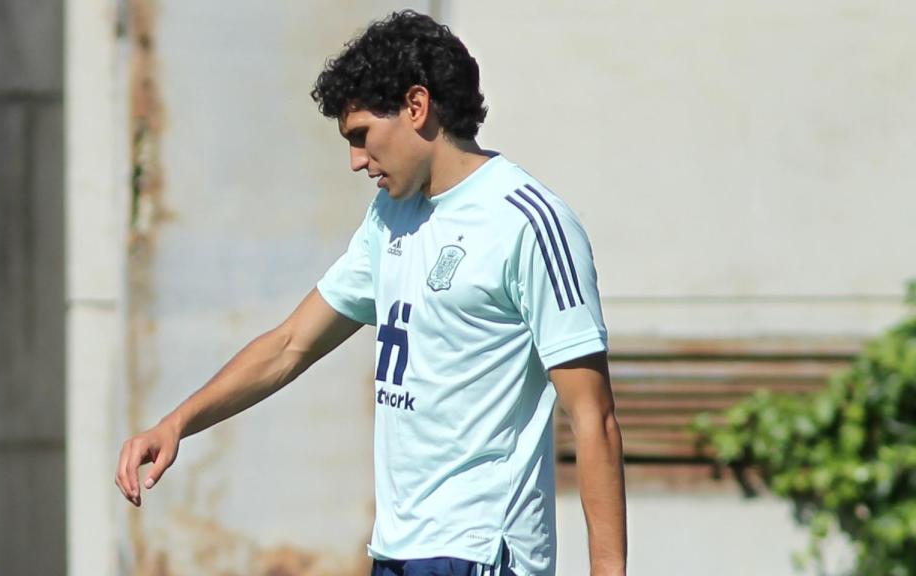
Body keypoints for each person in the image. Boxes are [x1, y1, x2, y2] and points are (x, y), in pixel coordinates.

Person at [115, 10, 626, 576]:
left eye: (361, 136)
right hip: (396, 551)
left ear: (416, 106)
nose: (356, 160)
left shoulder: (528, 222)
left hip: (481, 551)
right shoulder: (390, 216)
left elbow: (593, 416)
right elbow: (290, 344)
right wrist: (177, 423)